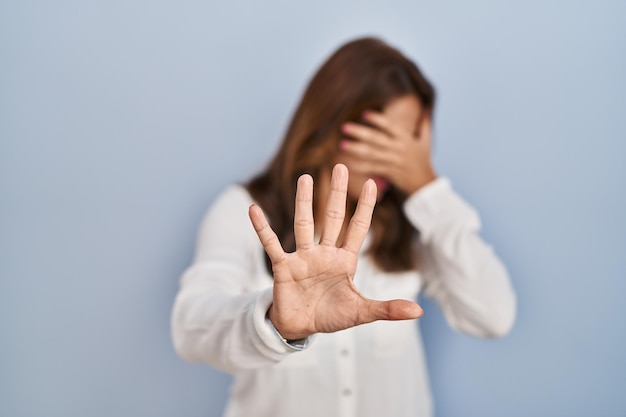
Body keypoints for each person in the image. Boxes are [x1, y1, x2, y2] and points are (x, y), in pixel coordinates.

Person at [171, 37, 516, 417]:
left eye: (413, 146)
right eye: (388, 140)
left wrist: (428, 188)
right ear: (337, 121)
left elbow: (493, 316)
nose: (398, 162)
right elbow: (191, 327)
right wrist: (273, 321)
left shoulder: (413, 223)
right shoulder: (244, 209)